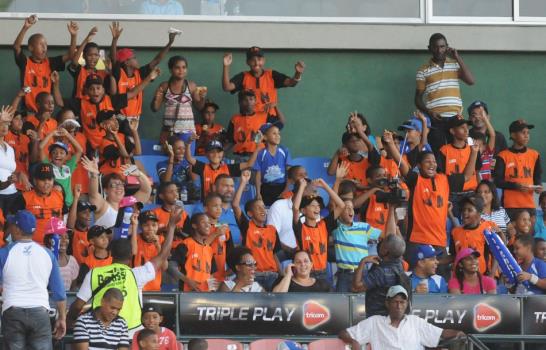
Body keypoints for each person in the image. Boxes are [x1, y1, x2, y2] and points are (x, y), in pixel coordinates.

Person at [67, 206, 183, 335]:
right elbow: (162, 257)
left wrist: (69, 319)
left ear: (111, 254)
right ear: (130, 257)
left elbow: (77, 306)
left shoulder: (94, 273)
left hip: (101, 334)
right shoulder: (136, 275)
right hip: (130, 335)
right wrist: (171, 226)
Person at [383, 130, 478, 262]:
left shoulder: (444, 179)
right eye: (428, 162)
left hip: (439, 242)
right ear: (419, 166)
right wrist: (391, 144)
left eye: (434, 161)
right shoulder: (415, 180)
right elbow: (403, 165)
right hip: (417, 240)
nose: (432, 164)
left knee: (440, 279)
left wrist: (473, 153)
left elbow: (467, 176)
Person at [0, 210, 66, 348]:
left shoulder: (4, 253)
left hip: (13, 311)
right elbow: (59, 292)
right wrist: (62, 318)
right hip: (40, 312)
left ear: (17, 229)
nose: (10, 227)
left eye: (12, 225)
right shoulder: (47, 254)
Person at [339, 285, 464, 350]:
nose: (399, 306)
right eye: (395, 302)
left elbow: (441, 333)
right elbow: (343, 333)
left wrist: (459, 333)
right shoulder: (375, 322)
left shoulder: (415, 322)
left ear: (407, 305)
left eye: (402, 302)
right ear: (387, 303)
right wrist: (353, 341)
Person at [415, 33, 475, 151]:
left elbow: (471, 81)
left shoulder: (454, 64)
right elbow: (417, 99)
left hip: (456, 118)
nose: (439, 50)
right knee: (438, 151)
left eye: (442, 46)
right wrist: (430, 112)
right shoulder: (423, 70)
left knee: (459, 150)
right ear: (429, 48)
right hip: (437, 118)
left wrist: (457, 57)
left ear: (447, 47)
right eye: (435, 47)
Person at [110, 21, 177, 121]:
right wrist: (114, 40)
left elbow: (157, 60)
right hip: (120, 118)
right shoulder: (119, 73)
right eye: (134, 58)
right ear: (126, 62)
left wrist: (170, 42)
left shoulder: (140, 73)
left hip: (135, 118)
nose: (137, 60)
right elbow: (114, 59)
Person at [13, 15, 75, 112]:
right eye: (41, 44)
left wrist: (73, 36)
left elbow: (71, 55)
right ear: (31, 48)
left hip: (46, 113)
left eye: (45, 44)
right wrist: (25, 27)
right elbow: (16, 47)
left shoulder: (50, 63)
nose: (44, 47)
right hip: (29, 112)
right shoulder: (25, 62)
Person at [233, 170, 281, 291]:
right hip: (254, 275)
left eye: (264, 207)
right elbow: (235, 205)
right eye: (258, 208)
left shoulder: (272, 229)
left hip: (272, 275)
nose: (263, 210)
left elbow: (274, 254)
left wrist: (281, 274)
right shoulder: (247, 226)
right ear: (249, 213)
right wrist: (243, 182)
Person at [222, 46, 304, 116]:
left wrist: (298, 73)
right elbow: (227, 87)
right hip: (251, 120)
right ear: (247, 62)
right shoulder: (243, 76)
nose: (256, 63)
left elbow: (291, 83)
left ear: (264, 60)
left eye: (259, 59)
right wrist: (226, 66)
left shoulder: (271, 74)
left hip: (269, 120)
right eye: (252, 60)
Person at [293, 178, 346, 280]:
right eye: (313, 206)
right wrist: (302, 188)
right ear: (303, 210)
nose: (317, 208)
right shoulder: (300, 228)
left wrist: (325, 186)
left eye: (318, 206)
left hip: (323, 272)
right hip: (306, 273)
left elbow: (342, 205)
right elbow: (295, 208)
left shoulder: (324, 225)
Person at [81, 156, 151, 229]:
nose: (119, 187)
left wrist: (139, 174)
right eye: (114, 185)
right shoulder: (103, 205)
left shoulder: (128, 202)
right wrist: (94, 174)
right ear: (105, 190)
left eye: (121, 184)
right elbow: (93, 194)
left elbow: (146, 191)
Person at [352, 233, 410, 317]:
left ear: (385, 250)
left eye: (382, 243)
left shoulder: (381, 272)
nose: (379, 243)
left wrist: (363, 262)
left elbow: (356, 287)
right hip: (392, 317)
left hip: (377, 318)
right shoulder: (400, 264)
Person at [152, 55, 206, 144]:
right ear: (170, 70)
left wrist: (202, 97)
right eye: (177, 67)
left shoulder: (191, 86)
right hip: (168, 130)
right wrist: (156, 98)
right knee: (168, 156)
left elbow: (199, 107)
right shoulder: (165, 86)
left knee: (187, 156)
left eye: (184, 67)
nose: (181, 70)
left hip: (187, 131)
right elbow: (155, 108)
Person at [494, 120, 542, 218]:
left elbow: (537, 177)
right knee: (511, 233)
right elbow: (497, 181)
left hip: (529, 205)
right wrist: (515, 186)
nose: (526, 135)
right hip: (510, 205)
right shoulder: (503, 156)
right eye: (523, 132)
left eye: (528, 133)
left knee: (527, 233)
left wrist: (539, 187)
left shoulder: (535, 155)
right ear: (513, 135)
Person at [185, 138, 257, 198]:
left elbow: (249, 164)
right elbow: (189, 158)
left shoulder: (228, 168)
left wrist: (257, 148)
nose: (216, 154)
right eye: (212, 152)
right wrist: (188, 144)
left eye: (219, 152)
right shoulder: (203, 167)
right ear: (206, 155)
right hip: (207, 205)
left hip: (224, 204)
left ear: (223, 154)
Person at [14, 163, 66, 245]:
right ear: (35, 181)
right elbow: (14, 223)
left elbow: (61, 217)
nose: (46, 183)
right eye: (42, 179)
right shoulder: (24, 198)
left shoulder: (59, 194)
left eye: (49, 179)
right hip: (33, 245)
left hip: (55, 243)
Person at [450, 194, 503, 275]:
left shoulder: (486, 231)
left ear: (479, 213)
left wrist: (492, 274)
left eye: (469, 210)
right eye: (463, 210)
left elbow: (496, 253)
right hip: (460, 278)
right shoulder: (455, 232)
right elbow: (453, 256)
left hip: (481, 277)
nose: (465, 212)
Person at [226, 89, 283, 160]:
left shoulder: (263, 116)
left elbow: (281, 123)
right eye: (245, 100)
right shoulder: (234, 119)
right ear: (240, 102)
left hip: (260, 155)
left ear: (255, 100)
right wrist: (221, 153)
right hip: (240, 156)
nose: (248, 102)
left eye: (251, 99)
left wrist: (275, 107)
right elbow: (230, 140)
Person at [168, 213, 215, 292]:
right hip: (187, 293)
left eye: (209, 223)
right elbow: (171, 266)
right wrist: (187, 280)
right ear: (194, 226)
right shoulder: (186, 244)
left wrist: (212, 289)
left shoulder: (209, 249)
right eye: (203, 222)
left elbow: (211, 274)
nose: (208, 225)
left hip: (206, 294)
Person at [68, 25, 116, 99]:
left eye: (96, 55)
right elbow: (74, 62)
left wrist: (111, 74)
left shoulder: (103, 73)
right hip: (80, 107)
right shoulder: (80, 71)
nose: (93, 58)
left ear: (99, 56)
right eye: (90, 55)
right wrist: (86, 39)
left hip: (97, 108)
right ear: (84, 56)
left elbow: (113, 92)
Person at [39, 128, 83, 207]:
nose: (58, 155)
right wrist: (52, 134)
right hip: (55, 204)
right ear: (50, 156)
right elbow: (40, 147)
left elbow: (80, 150)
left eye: (62, 153)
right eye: (54, 152)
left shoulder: (69, 167)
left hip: (69, 204)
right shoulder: (48, 166)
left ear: (66, 156)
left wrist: (67, 135)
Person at [254, 122, 292, 206]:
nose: (278, 135)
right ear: (265, 137)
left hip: (282, 187)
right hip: (266, 188)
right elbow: (258, 175)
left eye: (278, 133)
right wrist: (258, 193)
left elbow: (289, 172)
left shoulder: (284, 151)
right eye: (274, 133)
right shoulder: (261, 153)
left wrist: (286, 189)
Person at [43, 217, 79, 291]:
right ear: (50, 239)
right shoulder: (43, 259)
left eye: (66, 237)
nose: (64, 240)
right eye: (59, 236)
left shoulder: (72, 261)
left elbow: (73, 289)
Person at [157, 136, 195, 203]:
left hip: (185, 197)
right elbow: (166, 181)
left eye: (183, 148)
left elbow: (194, 179)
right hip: (169, 200)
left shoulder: (186, 163)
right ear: (171, 149)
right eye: (178, 149)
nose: (182, 151)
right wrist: (171, 157)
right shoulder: (162, 164)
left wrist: (189, 159)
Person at [0, 106, 19, 215]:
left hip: (12, 193)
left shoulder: (10, 149)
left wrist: (16, 176)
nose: (4, 127)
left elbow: (10, 171)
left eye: (6, 124)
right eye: (2, 124)